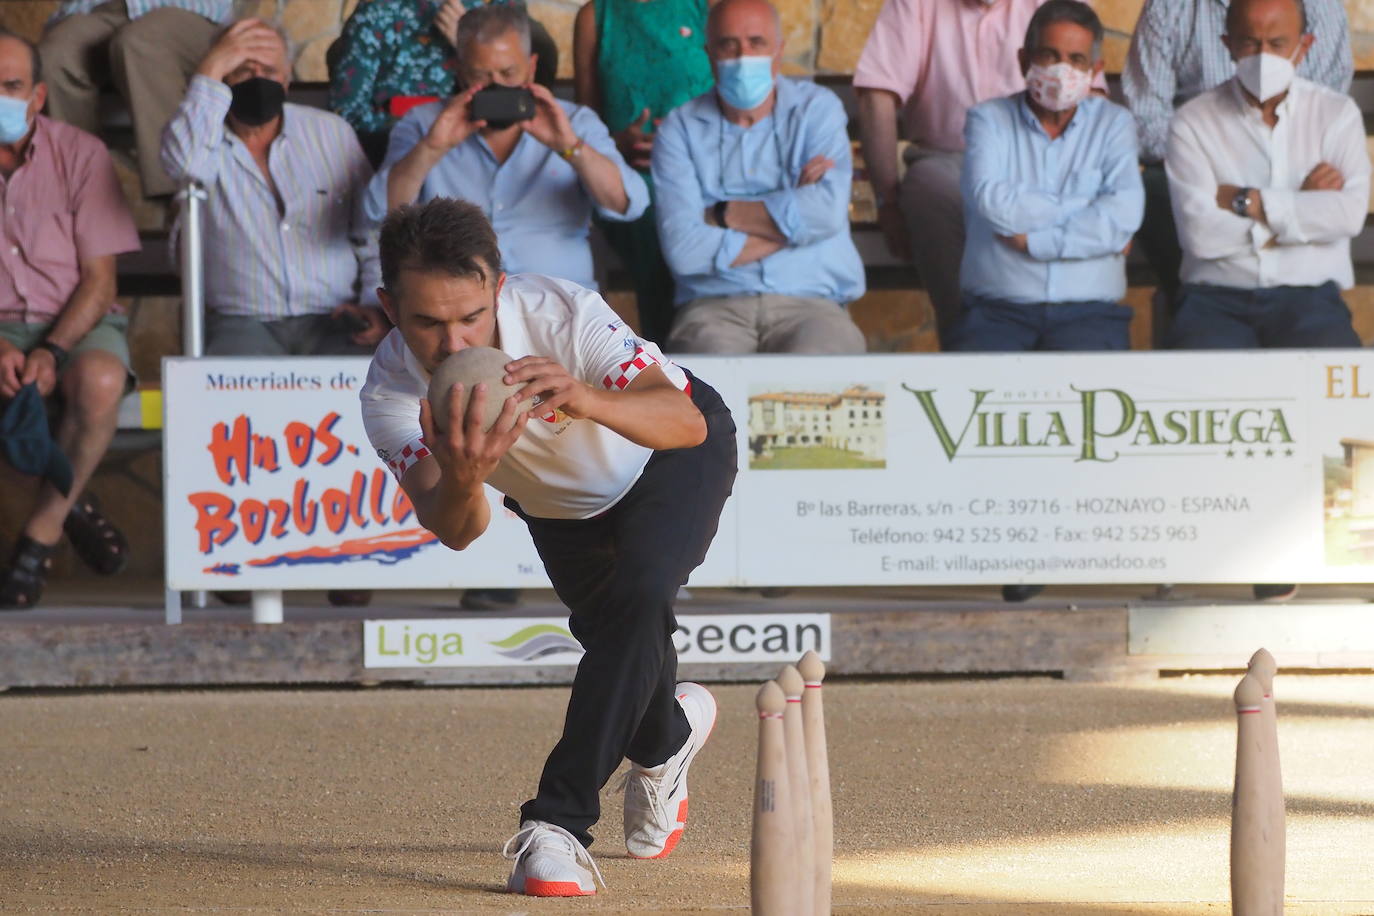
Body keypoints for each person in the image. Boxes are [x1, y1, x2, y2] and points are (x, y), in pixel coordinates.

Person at [359, 197, 735, 896]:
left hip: (664, 460)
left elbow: (684, 423)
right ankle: (666, 740)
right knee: (624, 644)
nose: (454, 344)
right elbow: (457, 529)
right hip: (561, 512)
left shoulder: (561, 313)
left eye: (471, 317)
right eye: (428, 323)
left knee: (641, 597)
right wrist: (464, 478)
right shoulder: (390, 392)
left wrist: (585, 397)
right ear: (389, 305)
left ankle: (556, 825)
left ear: (498, 289)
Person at [161, 18, 383, 607]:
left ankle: (349, 555)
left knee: (362, 410)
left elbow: (370, 231)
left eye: (267, 69)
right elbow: (181, 167)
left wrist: (375, 303)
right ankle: (239, 560)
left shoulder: (330, 133)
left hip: (332, 315)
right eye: (241, 70)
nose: (256, 79)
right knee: (230, 423)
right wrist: (212, 69)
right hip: (242, 320)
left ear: (287, 77)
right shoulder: (200, 135)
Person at [1166, 0, 1368, 602]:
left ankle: (1346, 548)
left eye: (1277, 44)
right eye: (1250, 44)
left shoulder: (1335, 115)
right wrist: (1296, 205)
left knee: (1344, 396)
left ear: (1304, 46)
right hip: (1215, 300)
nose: (1262, 57)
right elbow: (1200, 236)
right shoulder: (1192, 121)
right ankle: (1226, 549)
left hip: (1309, 297)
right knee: (1203, 399)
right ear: (1227, 44)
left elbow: (1347, 214)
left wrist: (1249, 202)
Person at [853, 0, 1105, 342]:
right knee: (930, 189)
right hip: (947, 163)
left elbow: (1091, 96)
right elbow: (876, 95)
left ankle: (1051, 347)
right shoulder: (915, 5)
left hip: (1042, 158)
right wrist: (887, 201)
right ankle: (973, 343)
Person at [365, 3, 647, 293]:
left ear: (531, 67)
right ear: (460, 71)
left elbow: (628, 204)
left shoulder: (574, 122)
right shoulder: (423, 123)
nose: (496, 85)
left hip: (560, 299)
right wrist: (432, 148)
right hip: (459, 302)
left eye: (508, 73)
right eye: (481, 75)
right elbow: (378, 211)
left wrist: (569, 146)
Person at [0, 29, 141, 609]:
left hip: (74, 323)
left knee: (100, 381)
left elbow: (100, 281)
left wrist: (51, 351)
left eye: (10, 85)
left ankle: (39, 535)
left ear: (37, 96)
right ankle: (70, 502)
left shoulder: (81, 154)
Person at [651, 0, 866, 354]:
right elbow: (685, 252)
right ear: (709, 54)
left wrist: (722, 214)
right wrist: (796, 223)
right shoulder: (679, 128)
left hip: (814, 304)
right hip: (713, 308)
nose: (743, 56)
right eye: (728, 44)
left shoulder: (817, 110)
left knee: (826, 370)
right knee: (705, 376)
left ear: (779, 51)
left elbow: (826, 214)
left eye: (756, 42)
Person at [1122, 0, 1351, 318]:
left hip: (1289, 162)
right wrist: (1208, 160)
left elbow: (1325, 113)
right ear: (1227, 43)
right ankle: (1199, 304)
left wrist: (1259, 177)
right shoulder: (1167, 7)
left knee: (1325, 181)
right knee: (1154, 185)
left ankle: (1303, 302)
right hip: (1201, 165)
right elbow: (1146, 118)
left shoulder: (1321, 7)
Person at [952, 0, 1143, 354]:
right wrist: (1088, 209)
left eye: (1076, 59)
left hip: (1091, 315)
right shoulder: (987, 120)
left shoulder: (1114, 124)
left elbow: (1124, 214)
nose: (1061, 70)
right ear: (1023, 60)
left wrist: (1034, 241)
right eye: (1049, 55)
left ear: (1094, 70)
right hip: (996, 314)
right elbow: (990, 201)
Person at [572, 0, 714, 344]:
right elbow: (587, 123)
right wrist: (620, 142)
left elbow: (736, 103)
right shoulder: (596, 16)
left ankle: (707, 338)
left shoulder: (704, 6)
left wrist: (683, 148)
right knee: (650, 221)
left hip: (706, 170)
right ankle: (667, 350)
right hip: (632, 177)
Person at [37, 0, 235, 198]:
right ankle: (79, 198)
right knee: (54, 58)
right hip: (101, 9)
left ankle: (179, 201)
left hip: (187, 10)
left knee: (141, 43)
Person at [329, 0, 561, 167]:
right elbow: (346, 117)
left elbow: (526, 106)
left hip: (491, 156)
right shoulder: (379, 14)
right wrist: (423, 132)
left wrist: (470, 44)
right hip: (399, 155)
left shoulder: (504, 9)